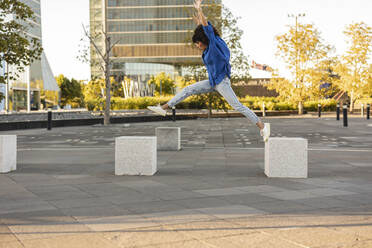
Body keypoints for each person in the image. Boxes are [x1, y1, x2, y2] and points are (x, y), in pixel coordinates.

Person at [148, 0, 270, 142]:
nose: (197, 46)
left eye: (198, 43)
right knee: (188, 89)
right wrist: (198, 22)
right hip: (213, 82)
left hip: (222, 82)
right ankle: (164, 108)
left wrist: (200, 10)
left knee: (237, 106)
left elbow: (207, 29)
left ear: (204, 40)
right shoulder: (209, 45)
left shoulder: (214, 44)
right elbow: (203, 29)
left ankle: (262, 126)